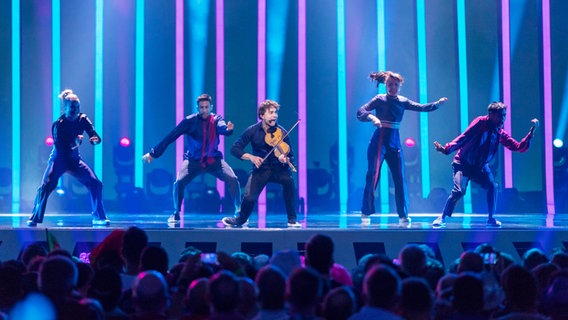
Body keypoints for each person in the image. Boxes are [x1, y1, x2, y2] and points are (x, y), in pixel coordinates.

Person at [357, 71, 447, 228]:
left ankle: (403, 215)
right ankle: (366, 210)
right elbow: (361, 111)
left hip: (394, 142)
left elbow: (421, 107)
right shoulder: (379, 99)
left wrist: (437, 104)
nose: (392, 88)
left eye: (395, 85)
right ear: (386, 85)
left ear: (399, 86)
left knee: (400, 179)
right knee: (373, 174)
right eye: (389, 85)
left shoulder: (403, 101)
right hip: (379, 141)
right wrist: (372, 117)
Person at [432, 101, 538, 228]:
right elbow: (464, 137)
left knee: (493, 187)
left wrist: (531, 133)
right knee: (460, 191)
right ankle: (442, 217)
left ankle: (491, 219)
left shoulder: (499, 132)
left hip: (480, 167)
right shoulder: (480, 122)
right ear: (491, 115)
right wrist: (447, 149)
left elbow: (517, 147)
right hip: (463, 164)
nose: (502, 119)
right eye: (500, 116)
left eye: (504, 115)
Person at [142, 93, 241, 223]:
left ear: (211, 107)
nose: (204, 110)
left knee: (233, 178)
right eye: (201, 107)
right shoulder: (190, 121)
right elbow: (171, 136)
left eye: (206, 107)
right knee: (179, 182)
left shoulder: (217, 119)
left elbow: (223, 128)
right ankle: (176, 212)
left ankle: (239, 211)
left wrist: (228, 130)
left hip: (213, 160)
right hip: (193, 161)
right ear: (197, 108)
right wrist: (153, 153)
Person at [28, 89, 109, 227]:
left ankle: (98, 216)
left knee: (96, 184)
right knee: (47, 185)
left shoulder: (82, 119)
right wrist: (74, 143)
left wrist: (94, 139)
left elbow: (93, 134)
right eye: (72, 107)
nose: (75, 110)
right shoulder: (58, 125)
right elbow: (61, 148)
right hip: (58, 160)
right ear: (64, 108)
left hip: (74, 161)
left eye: (77, 107)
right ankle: (35, 216)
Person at [221, 99, 301, 227]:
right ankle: (240, 220)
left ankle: (292, 219)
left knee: (289, 184)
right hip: (261, 170)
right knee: (249, 197)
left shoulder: (282, 132)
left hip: (279, 169)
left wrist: (285, 159)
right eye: (271, 112)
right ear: (262, 115)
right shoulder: (252, 131)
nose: (274, 115)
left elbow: (291, 156)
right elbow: (235, 149)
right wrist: (251, 157)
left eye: (275, 112)